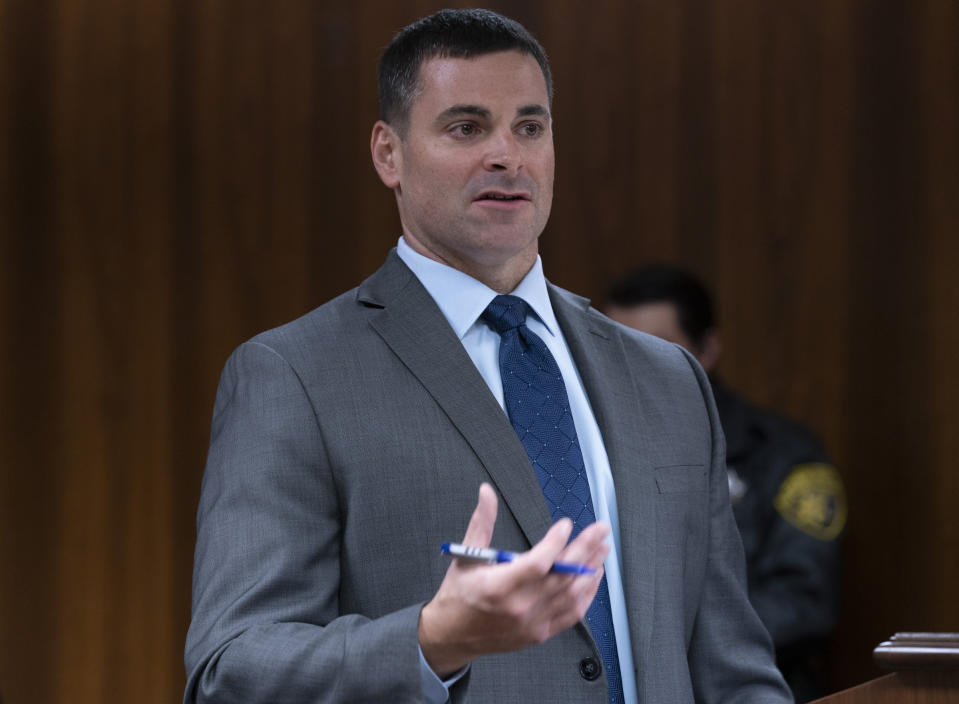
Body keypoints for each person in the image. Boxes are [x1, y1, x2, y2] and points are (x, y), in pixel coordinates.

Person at [184, 10, 792, 704]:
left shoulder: (667, 378)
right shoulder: (292, 376)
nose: (507, 154)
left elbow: (732, 671)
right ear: (388, 153)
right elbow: (229, 672)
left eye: (529, 127)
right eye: (466, 127)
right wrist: (432, 641)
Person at [606, 264, 846, 702]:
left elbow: (804, 600)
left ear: (708, 349)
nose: (633, 369)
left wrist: (679, 638)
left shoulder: (782, 454)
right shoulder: (595, 444)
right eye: (619, 351)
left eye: (654, 349)